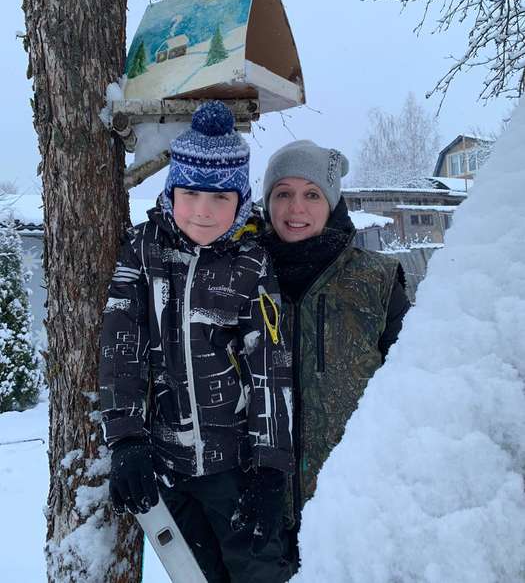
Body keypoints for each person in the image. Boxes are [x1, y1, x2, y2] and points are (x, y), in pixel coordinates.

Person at [99, 101, 294, 583]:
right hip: (169, 468)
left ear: (241, 200)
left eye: (220, 198)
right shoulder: (143, 249)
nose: (203, 212)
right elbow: (121, 342)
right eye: (190, 193)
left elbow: (270, 365)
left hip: (237, 472)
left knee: (259, 573)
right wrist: (125, 438)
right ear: (170, 193)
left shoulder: (253, 264)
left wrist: (270, 469)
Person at [261, 139, 410, 564]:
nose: (296, 209)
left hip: (353, 512)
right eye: (283, 194)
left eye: (312, 194)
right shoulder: (240, 278)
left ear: (332, 202)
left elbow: (411, 389)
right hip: (258, 518)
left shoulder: (377, 282)